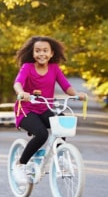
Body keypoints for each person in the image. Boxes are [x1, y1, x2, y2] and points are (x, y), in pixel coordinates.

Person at [11, 36, 87, 185]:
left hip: (43, 108)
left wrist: (77, 95)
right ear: (33, 53)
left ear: (52, 53)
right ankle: (20, 164)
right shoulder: (27, 67)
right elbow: (18, 82)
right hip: (26, 110)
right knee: (42, 134)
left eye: (45, 51)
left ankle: (59, 157)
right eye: (38, 51)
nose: (41, 54)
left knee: (62, 121)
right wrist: (21, 93)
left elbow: (66, 87)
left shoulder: (54, 69)